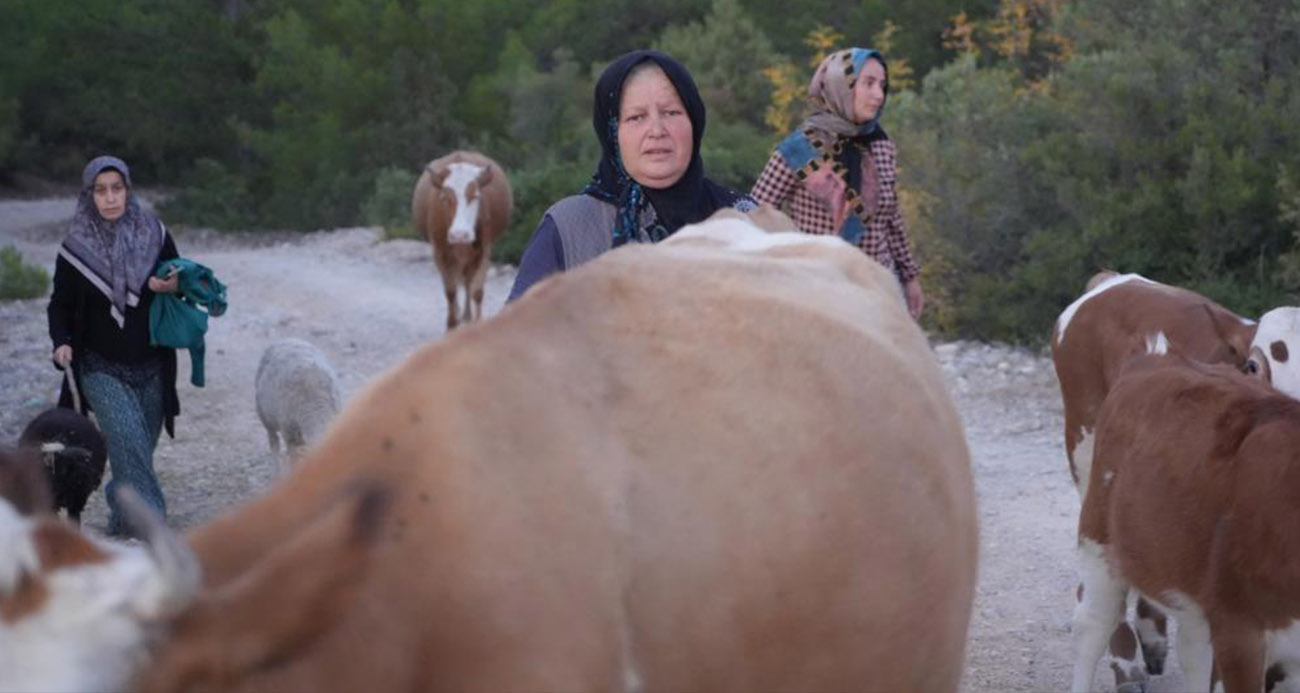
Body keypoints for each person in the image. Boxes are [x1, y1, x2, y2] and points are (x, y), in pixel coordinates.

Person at [507, 49, 756, 301]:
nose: (657, 130)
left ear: (694, 122)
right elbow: (515, 334)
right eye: (636, 117)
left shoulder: (746, 221)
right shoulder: (568, 227)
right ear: (613, 133)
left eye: (671, 113)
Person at [47, 155, 181, 537]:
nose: (110, 198)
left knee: (136, 452)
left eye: (116, 189)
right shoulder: (75, 249)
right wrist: (61, 343)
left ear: (128, 190)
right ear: (89, 195)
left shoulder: (155, 235)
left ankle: (122, 520)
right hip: (98, 365)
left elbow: (182, 276)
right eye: (101, 191)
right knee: (128, 440)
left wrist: (172, 285)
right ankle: (151, 526)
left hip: (153, 365)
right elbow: (59, 304)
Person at [751, 47, 924, 319]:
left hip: (880, 290)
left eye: (882, 85)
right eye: (868, 83)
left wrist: (910, 277)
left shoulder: (880, 146)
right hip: (818, 294)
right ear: (840, 85)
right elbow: (754, 217)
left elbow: (891, 218)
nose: (879, 95)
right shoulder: (799, 150)